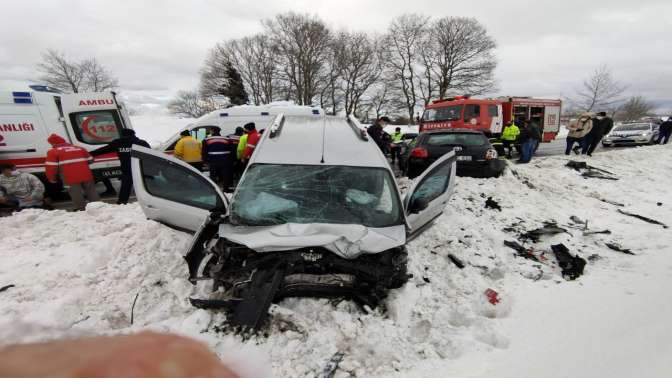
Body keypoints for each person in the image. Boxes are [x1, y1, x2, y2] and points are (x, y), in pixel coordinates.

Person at [90, 129, 150, 204]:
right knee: (144, 184)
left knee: (126, 185)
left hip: (126, 168)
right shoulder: (141, 143)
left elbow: (103, 150)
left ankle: (122, 201)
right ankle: (149, 200)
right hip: (139, 167)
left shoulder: (118, 143)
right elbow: (150, 154)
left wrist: (89, 154)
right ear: (133, 134)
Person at [45, 134, 100, 211]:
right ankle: (98, 207)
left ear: (53, 143)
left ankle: (82, 209)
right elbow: (91, 160)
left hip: (69, 177)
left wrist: (52, 179)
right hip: (86, 174)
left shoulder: (53, 152)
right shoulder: (79, 148)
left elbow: (51, 168)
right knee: (91, 190)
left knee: (75, 193)